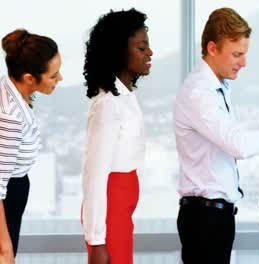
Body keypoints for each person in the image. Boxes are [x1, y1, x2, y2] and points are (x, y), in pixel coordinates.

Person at [173, 7, 259, 264]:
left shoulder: (218, 88)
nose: (244, 62)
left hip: (213, 218)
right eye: (237, 54)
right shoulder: (200, 93)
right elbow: (239, 145)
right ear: (212, 48)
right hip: (204, 219)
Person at [81, 8, 152, 264]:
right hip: (110, 214)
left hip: (121, 210)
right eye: (142, 48)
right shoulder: (108, 104)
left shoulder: (124, 97)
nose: (150, 53)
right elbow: (95, 175)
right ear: (119, 51)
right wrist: (97, 240)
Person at [0, 29, 62, 262]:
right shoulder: (10, 115)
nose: (60, 79)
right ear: (29, 78)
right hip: (5, 203)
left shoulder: (10, 87)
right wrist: (5, 249)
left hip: (13, 195)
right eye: (53, 75)